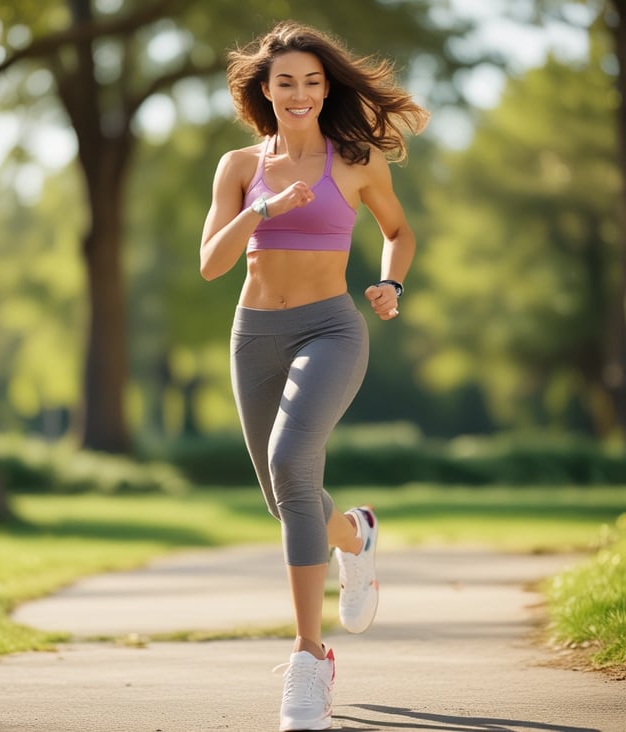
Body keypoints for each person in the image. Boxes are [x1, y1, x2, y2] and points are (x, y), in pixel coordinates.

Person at [199, 20, 428, 732]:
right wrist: (263, 209)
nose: (299, 94)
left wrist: (392, 284)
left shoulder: (356, 161)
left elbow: (399, 232)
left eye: (312, 81)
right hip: (254, 335)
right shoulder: (239, 167)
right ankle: (354, 537)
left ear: (327, 89)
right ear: (263, 92)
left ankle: (309, 658)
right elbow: (210, 263)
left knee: (291, 463)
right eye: (285, 82)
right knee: (286, 495)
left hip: (332, 328)